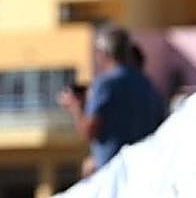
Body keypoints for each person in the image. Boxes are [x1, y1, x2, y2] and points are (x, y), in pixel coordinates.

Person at [59, 26, 166, 173]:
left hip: (113, 170)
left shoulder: (104, 84)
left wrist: (76, 107)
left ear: (103, 53)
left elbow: (89, 131)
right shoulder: (147, 84)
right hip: (143, 167)